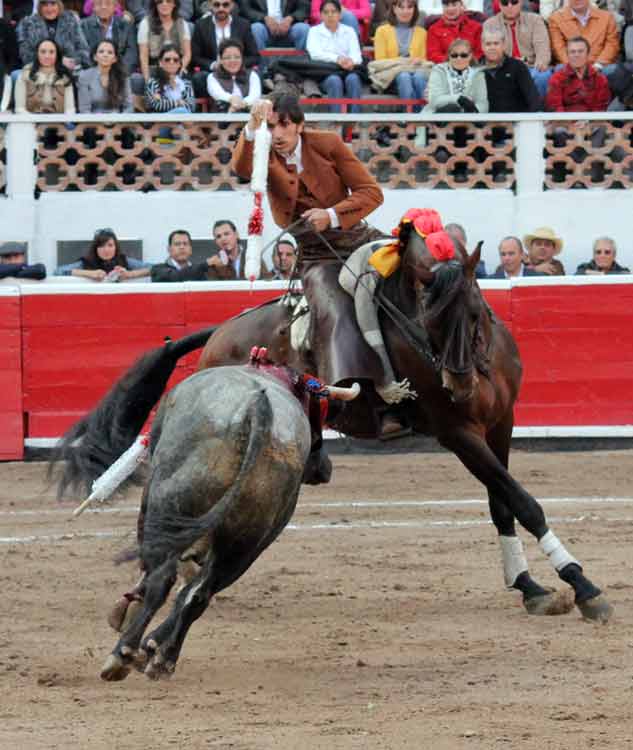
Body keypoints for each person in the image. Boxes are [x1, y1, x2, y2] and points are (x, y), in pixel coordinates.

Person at [231, 95, 405, 438]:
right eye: (270, 126)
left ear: (298, 124)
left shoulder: (327, 144)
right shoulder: (263, 152)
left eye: (283, 124)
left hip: (360, 239)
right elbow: (241, 168)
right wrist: (252, 128)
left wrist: (332, 215)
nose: (277, 133)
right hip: (316, 258)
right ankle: (367, 403)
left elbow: (372, 193)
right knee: (337, 311)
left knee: (412, 281)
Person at [482, 0, 551, 99]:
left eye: (514, 2)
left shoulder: (535, 20)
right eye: (505, 3)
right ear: (499, 5)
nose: (510, 6)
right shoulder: (490, 24)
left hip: (532, 67)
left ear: (521, 3)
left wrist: (541, 62)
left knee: (543, 76)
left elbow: (542, 47)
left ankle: (539, 111)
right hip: (504, 68)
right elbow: (491, 52)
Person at [190, 0, 259, 97]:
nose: (221, 8)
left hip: (238, 71)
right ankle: (212, 108)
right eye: (217, 5)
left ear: (232, 6)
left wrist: (235, 64)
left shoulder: (243, 24)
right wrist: (213, 65)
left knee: (255, 75)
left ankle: (245, 105)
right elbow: (195, 57)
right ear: (210, 5)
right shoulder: (201, 25)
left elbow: (254, 56)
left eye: (225, 5)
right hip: (213, 72)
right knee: (198, 78)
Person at [306, 0, 363, 113]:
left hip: (347, 71)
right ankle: (336, 121)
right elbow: (315, 54)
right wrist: (337, 59)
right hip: (325, 74)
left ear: (340, 14)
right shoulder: (314, 31)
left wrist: (351, 62)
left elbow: (357, 55)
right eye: (326, 12)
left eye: (334, 11)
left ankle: (354, 120)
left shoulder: (349, 31)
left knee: (354, 78)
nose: (330, 15)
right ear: (321, 15)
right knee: (334, 80)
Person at [373, 0, 428, 108]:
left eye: (409, 7)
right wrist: (406, 62)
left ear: (414, 9)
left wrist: (419, 61)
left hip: (415, 72)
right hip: (390, 75)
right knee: (404, 76)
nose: (405, 11)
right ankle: (410, 119)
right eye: (401, 7)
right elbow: (381, 60)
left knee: (419, 77)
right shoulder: (382, 31)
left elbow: (423, 60)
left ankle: (423, 118)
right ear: (394, 9)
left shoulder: (422, 33)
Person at [17, 0, 90, 72]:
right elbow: (25, 55)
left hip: (68, 70)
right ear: (40, 6)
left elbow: (83, 50)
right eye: (45, 4)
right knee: (16, 75)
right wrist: (58, 61)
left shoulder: (71, 20)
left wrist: (73, 61)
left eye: (53, 3)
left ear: (59, 4)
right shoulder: (28, 23)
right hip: (38, 69)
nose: (49, 9)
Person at [548, 0, 620, 73]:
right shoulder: (555, 19)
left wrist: (598, 65)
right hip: (570, 66)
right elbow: (558, 47)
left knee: (613, 70)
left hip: (600, 66)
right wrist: (574, 65)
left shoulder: (607, 17)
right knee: (560, 70)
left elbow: (612, 44)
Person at [55, 228, 151, 281]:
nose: (106, 250)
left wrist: (130, 274)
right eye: (101, 246)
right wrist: (89, 273)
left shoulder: (123, 260)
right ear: (95, 248)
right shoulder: (86, 262)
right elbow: (57, 272)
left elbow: (154, 268)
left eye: (110, 245)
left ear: (116, 247)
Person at [545, 36, 610, 113]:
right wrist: (569, 124)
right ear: (567, 55)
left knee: (599, 126)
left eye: (580, 51)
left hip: (592, 122)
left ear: (588, 54)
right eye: (572, 52)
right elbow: (555, 107)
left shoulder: (600, 79)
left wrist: (588, 123)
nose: (576, 55)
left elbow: (600, 108)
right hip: (564, 122)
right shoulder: (556, 78)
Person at [482, 27, 539, 112]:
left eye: (496, 43)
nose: (492, 47)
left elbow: (532, 97)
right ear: (482, 46)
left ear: (504, 45)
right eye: (488, 44)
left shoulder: (518, 66)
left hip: (516, 120)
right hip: (485, 122)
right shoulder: (476, 69)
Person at [424, 37, 488, 112]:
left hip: (470, 118)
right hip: (438, 116)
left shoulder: (478, 75)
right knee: (451, 109)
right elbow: (434, 100)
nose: (459, 58)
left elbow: (482, 103)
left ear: (470, 56)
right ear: (449, 56)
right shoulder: (439, 71)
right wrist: (458, 99)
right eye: (454, 55)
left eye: (463, 55)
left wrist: (473, 111)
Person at [137, 0, 192, 86]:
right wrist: (148, 81)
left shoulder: (182, 23)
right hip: (155, 68)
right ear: (155, 4)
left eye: (169, 1)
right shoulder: (145, 23)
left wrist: (179, 68)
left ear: (174, 4)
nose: (164, 4)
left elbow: (187, 54)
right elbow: (143, 56)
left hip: (177, 67)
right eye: (160, 1)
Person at [14, 38, 76, 113]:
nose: (47, 56)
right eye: (43, 52)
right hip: (29, 120)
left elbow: (70, 109)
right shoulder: (24, 75)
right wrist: (34, 121)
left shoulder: (65, 77)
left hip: (58, 121)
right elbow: (19, 109)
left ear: (57, 55)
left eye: (51, 52)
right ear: (37, 54)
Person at [151, 229, 237, 281]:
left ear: (191, 249)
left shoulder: (200, 271)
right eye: (177, 244)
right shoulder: (158, 269)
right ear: (169, 249)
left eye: (185, 244)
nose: (182, 247)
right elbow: (177, 276)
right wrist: (207, 263)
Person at [81, 0, 139, 75]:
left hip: (120, 74)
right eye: (99, 3)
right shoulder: (82, 26)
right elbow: (83, 55)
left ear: (114, 7)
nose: (104, 7)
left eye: (108, 3)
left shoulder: (126, 26)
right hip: (93, 74)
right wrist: (100, 73)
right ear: (94, 7)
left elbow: (131, 56)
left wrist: (117, 74)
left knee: (136, 79)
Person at [78, 39, 133, 112]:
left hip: (118, 120)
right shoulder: (84, 76)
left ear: (115, 59)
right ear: (95, 57)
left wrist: (119, 121)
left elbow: (128, 107)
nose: (105, 55)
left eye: (110, 52)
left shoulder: (123, 76)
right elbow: (84, 109)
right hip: (92, 121)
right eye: (101, 52)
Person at [206, 38, 261, 111]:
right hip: (222, 116)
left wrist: (242, 104)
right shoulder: (212, 77)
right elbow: (218, 94)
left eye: (237, 57)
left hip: (248, 114)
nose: (232, 61)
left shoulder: (252, 75)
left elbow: (255, 96)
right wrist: (232, 99)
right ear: (221, 60)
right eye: (227, 58)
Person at [239, 0, 310, 52]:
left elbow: (304, 8)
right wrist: (264, 18)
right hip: (264, 29)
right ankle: (261, 66)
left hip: (289, 29)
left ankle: (299, 64)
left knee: (303, 28)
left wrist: (291, 18)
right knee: (256, 28)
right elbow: (246, 10)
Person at [426, 0, 483, 65]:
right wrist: (454, 61)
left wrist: (466, 62)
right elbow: (433, 55)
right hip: (445, 70)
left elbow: (480, 52)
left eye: (454, 4)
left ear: (461, 5)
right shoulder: (433, 29)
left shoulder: (476, 27)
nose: (450, 9)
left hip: (472, 68)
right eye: (446, 5)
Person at [145, 43, 195, 113]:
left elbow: (191, 107)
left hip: (183, 120)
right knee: (182, 111)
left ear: (179, 64)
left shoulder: (186, 84)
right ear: (160, 63)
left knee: (183, 112)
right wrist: (178, 103)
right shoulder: (152, 83)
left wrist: (167, 103)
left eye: (175, 60)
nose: (171, 62)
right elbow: (157, 105)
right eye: (167, 59)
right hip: (162, 121)